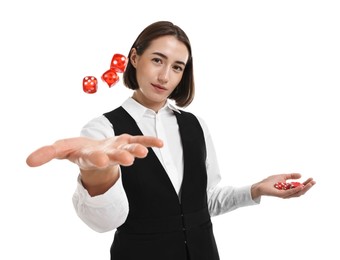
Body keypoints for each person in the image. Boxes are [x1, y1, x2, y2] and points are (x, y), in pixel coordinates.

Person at [26, 21, 316, 260]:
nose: (165, 76)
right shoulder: (102, 131)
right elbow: (103, 223)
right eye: (157, 60)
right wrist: (98, 173)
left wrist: (255, 189)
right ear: (135, 58)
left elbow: (204, 201)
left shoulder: (195, 125)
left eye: (177, 67)